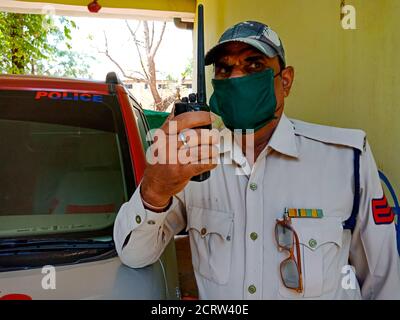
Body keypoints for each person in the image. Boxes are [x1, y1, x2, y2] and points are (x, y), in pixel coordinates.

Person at [113, 21, 400, 299]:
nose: (236, 78)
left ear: (285, 81)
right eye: (224, 69)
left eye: (254, 66)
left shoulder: (345, 157)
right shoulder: (192, 163)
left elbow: (382, 278)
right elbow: (136, 256)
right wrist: (154, 189)